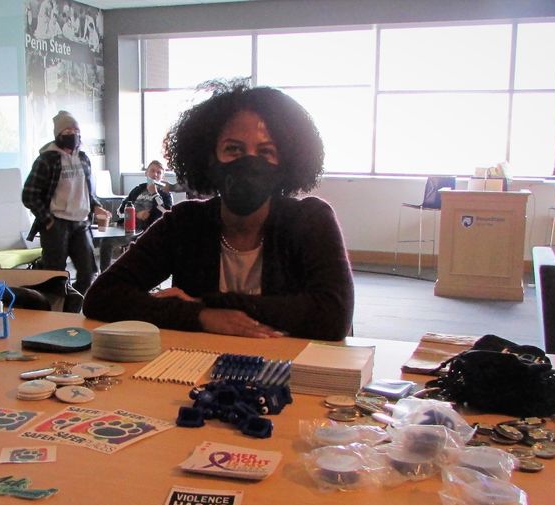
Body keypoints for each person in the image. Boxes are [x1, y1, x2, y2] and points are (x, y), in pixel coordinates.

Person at [83, 80, 353, 341]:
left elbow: (334, 316)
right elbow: (102, 297)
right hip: (194, 373)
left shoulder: (310, 220)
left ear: (285, 163)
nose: (249, 163)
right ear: (209, 159)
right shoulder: (184, 224)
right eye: (233, 149)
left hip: (289, 373)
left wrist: (207, 304)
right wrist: (199, 317)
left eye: (266, 152)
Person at [22, 110, 111, 296]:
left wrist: (96, 206)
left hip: (81, 223)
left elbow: (88, 191)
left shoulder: (84, 159)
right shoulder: (47, 160)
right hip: (57, 223)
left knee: (89, 272)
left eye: (76, 130)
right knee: (55, 275)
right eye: (68, 130)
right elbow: (29, 195)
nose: (73, 134)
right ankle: (54, 309)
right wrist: (48, 220)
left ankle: (72, 306)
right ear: (58, 134)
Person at [117, 160, 173, 231]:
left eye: (159, 173)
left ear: (162, 177)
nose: (155, 174)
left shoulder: (166, 194)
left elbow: (166, 214)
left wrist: (155, 194)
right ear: (146, 173)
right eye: (152, 171)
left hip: (152, 231)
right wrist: (136, 215)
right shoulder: (137, 190)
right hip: (131, 229)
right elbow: (120, 212)